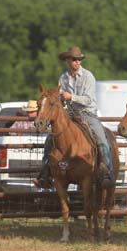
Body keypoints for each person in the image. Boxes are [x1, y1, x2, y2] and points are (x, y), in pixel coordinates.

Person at [34, 46, 114, 189]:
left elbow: (89, 99)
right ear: (68, 61)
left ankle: (107, 172)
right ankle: (45, 173)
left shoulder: (88, 76)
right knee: (50, 140)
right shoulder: (63, 78)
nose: (78, 62)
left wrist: (71, 97)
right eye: (74, 59)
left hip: (87, 113)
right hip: (69, 115)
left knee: (101, 137)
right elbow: (59, 100)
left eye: (79, 59)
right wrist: (60, 100)